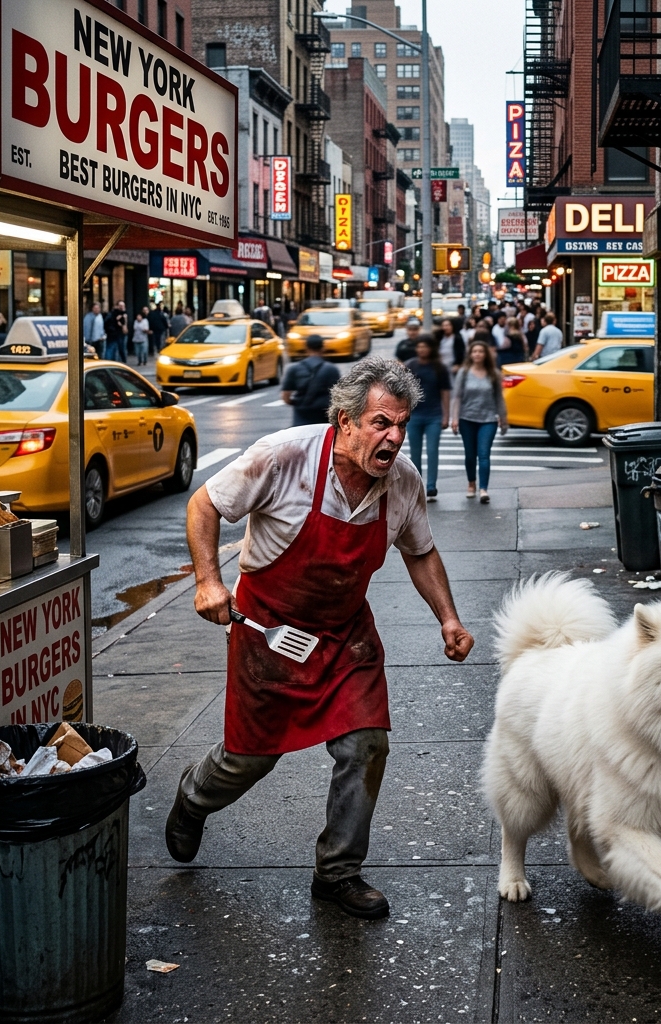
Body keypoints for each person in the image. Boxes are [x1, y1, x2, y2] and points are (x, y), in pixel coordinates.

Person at [166, 357, 474, 919]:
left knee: (366, 744)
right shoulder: (284, 456)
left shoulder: (401, 482)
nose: (395, 438)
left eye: (402, 424)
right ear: (345, 421)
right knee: (249, 760)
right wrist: (209, 582)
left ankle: (338, 871)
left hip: (344, 634)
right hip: (268, 631)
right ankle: (193, 798)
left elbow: (421, 551)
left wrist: (448, 619)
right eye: (382, 423)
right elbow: (204, 504)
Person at [451, 339, 508, 504]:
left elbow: (499, 397)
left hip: (488, 419)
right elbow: (457, 396)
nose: (477, 354)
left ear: (486, 355)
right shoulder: (464, 372)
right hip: (466, 418)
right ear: (470, 354)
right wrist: (455, 418)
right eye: (474, 351)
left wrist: (503, 419)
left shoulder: (494, 374)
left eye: (481, 351)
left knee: (484, 454)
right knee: (470, 455)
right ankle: (471, 484)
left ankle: (484, 489)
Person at [404, 334, 451, 500]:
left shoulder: (439, 367)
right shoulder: (410, 365)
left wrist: (447, 415)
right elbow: (403, 392)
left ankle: (431, 486)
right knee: (414, 453)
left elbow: (445, 392)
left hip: (434, 415)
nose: (421, 349)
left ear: (431, 348)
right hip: (414, 416)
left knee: (432, 451)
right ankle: (417, 487)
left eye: (425, 346)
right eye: (419, 346)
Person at [280, 336, 342, 426]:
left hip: (301, 415)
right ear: (323, 348)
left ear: (306, 348)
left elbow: (286, 396)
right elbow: (339, 396)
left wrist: (296, 403)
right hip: (324, 415)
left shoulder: (294, 369)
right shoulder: (331, 369)